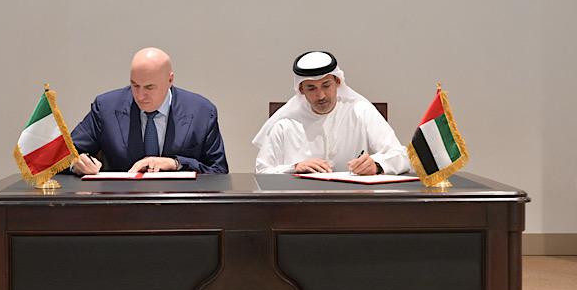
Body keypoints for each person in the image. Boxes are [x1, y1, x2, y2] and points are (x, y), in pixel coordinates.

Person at [70, 47, 228, 175]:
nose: (140, 96)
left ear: (170, 80)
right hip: (122, 201)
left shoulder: (202, 113)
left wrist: (176, 163)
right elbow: (62, 156)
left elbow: (218, 172)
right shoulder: (106, 108)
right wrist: (76, 163)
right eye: (135, 85)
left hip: (179, 202)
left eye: (149, 87)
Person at [253, 51, 410, 175]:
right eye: (311, 88)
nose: (320, 95)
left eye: (326, 85)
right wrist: (294, 168)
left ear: (337, 82)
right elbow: (262, 171)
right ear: (301, 89)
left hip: (353, 201)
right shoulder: (285, 123)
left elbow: (402, 156)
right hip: (300, 203)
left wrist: (376, 165)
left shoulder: (361, 111)